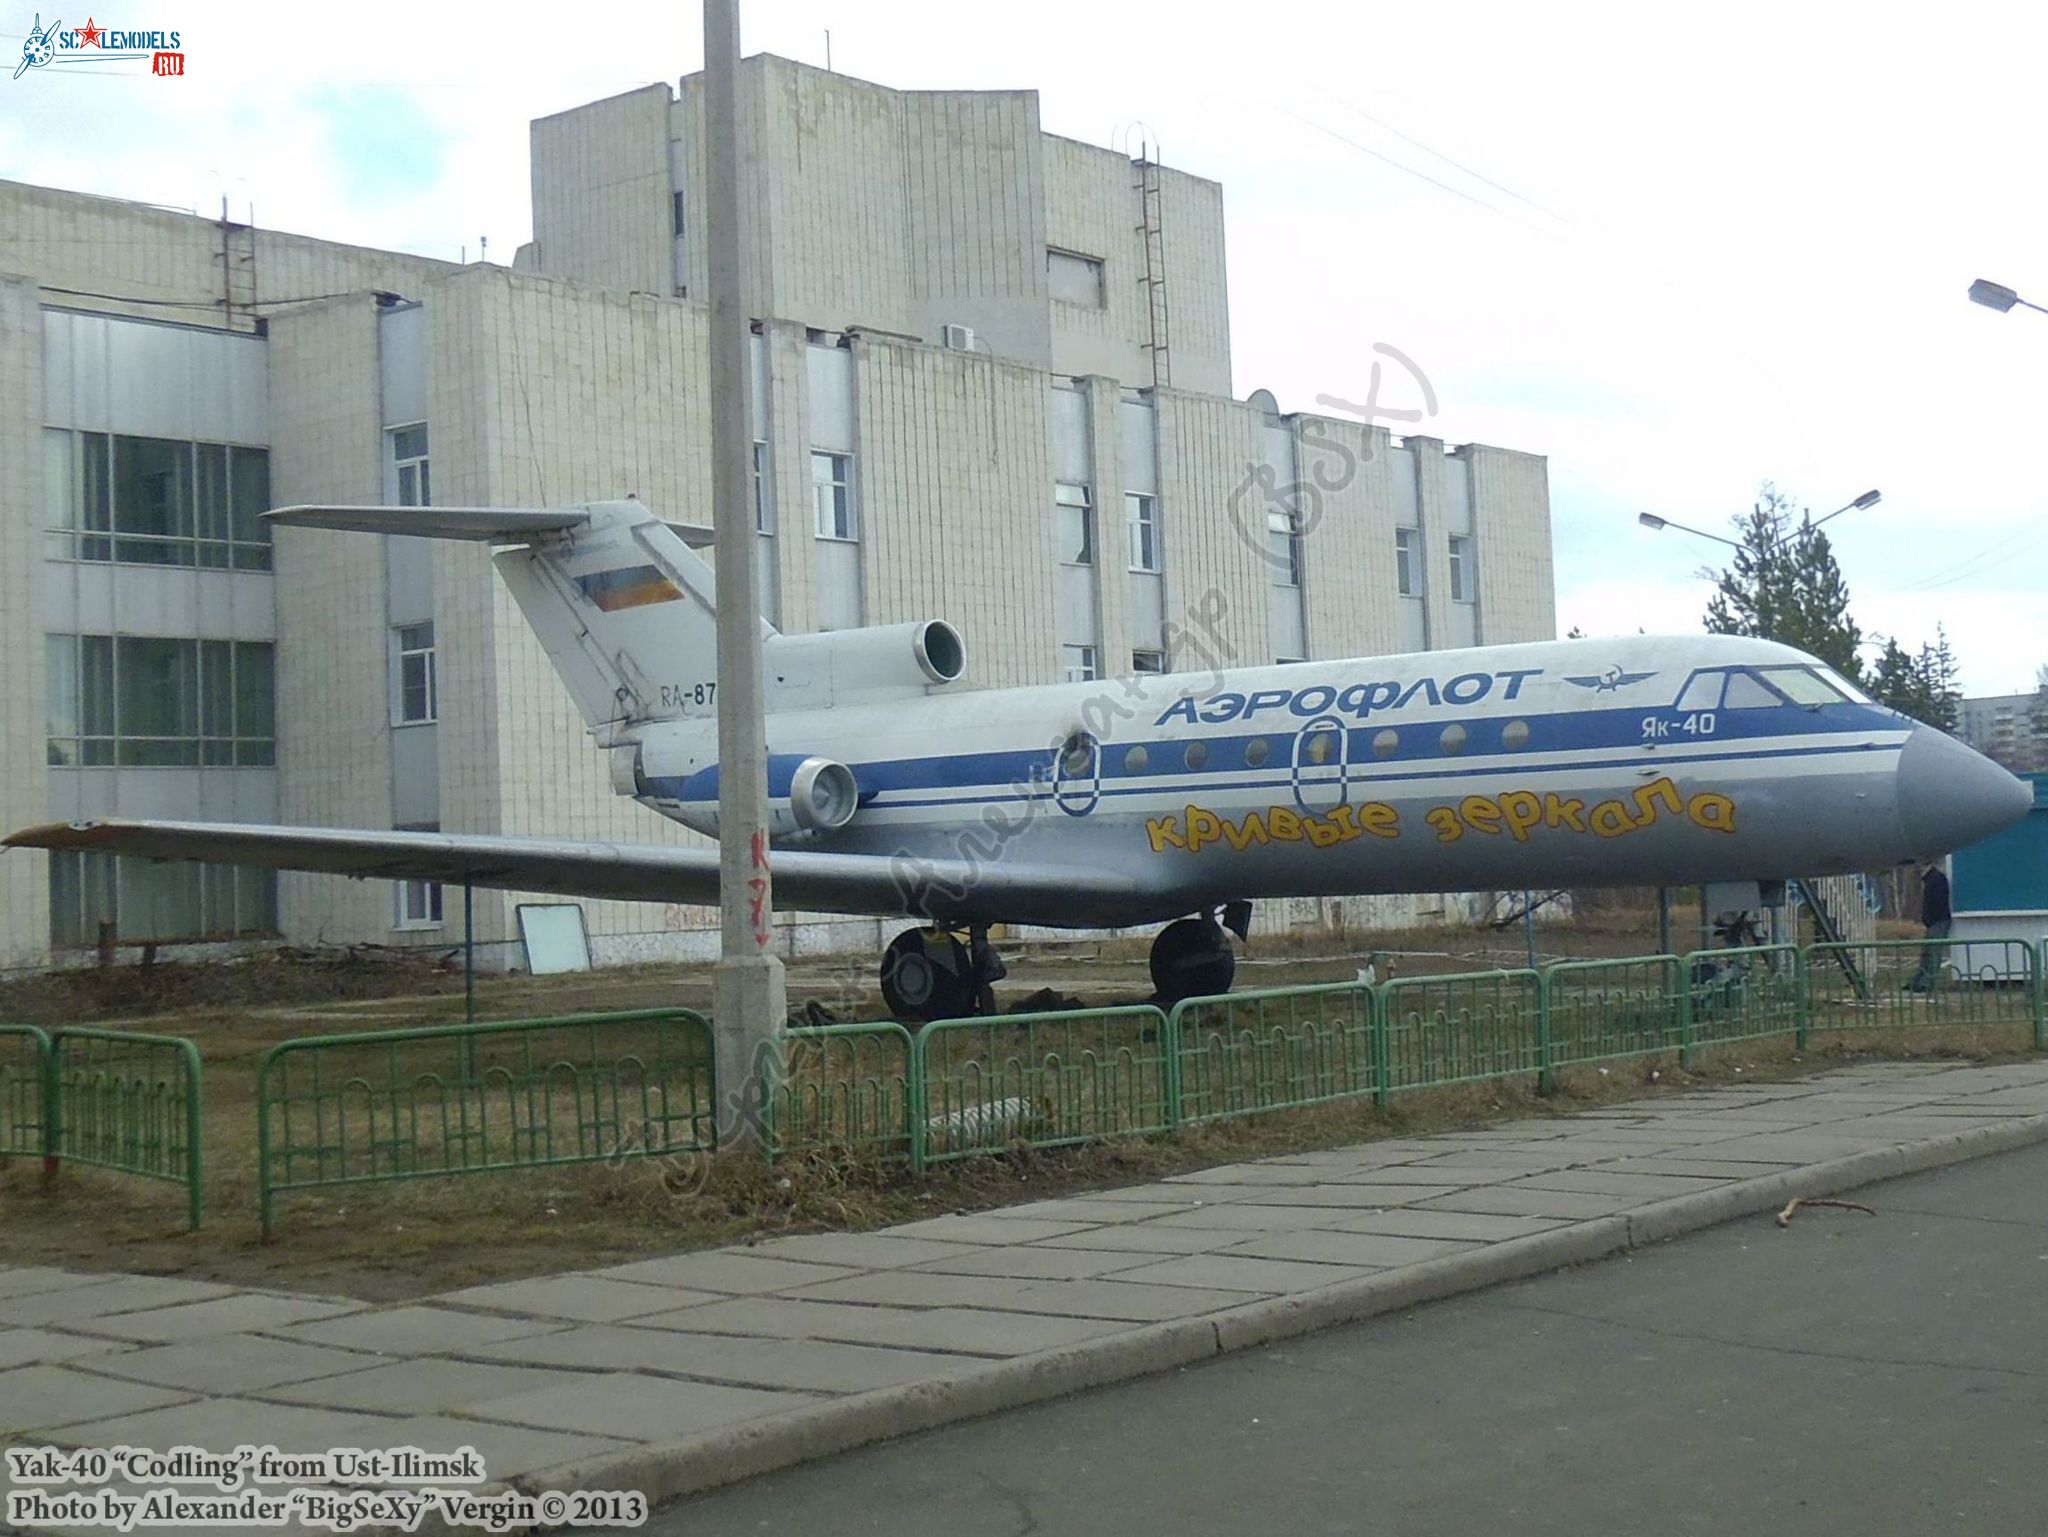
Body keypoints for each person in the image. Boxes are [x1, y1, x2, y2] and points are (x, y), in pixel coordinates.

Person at [1907, 858, 1952, 992]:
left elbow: (1937, 903)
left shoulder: (1936, 880)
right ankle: (1919, 980)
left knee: (1933, 953)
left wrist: (1930, 918)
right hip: (1934, 921)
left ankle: (1927, 983)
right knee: (1927, 952)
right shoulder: (1932, 879)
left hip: (1938, 921)